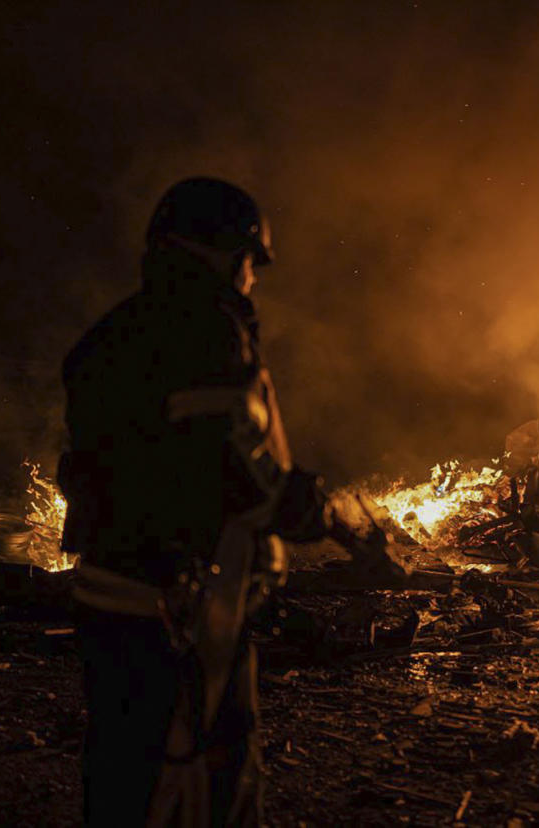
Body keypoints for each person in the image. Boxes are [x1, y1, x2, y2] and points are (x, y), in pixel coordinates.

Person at [59, 177, 371, 826]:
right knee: (204, 779)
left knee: (125, 774)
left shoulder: (111, 335)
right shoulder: (207, 331)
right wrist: (328, 514)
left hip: (110, 596)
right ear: (232, 255)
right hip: (185, 609)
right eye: (254, 262)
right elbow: (231, 474)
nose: (255, 279)